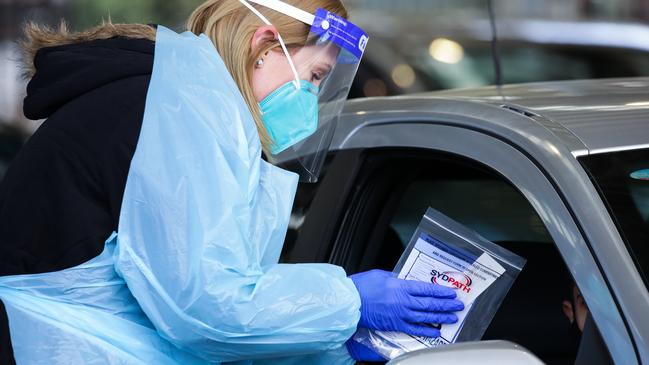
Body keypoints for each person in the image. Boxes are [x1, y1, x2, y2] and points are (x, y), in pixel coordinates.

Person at [0, 0, 464, 363]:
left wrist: (333, 343)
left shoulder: (176, 96)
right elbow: (205, 307)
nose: (314, 98)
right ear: (263, 46)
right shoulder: (183, 109)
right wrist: (350, 300)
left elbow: (207, 296)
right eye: (316, 77)